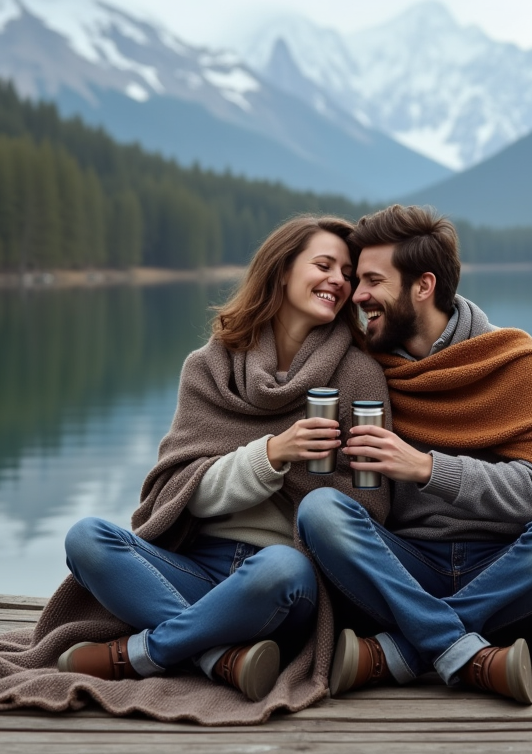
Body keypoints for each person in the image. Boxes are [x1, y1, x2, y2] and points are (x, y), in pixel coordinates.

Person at [56, 215, 391, 703]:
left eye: (348, 272)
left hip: (286, 580)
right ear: (280, 270)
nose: (338, 280)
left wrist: (308, 478)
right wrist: (273, 455)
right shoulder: (209, 366)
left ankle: (147, 651)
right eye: (324, 264)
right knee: (86, 538)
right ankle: (217, 658)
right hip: (195, 568)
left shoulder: (360, 376)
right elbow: (179, 491)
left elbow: (371, 509)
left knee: (280, 568)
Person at [296, 205, 532, 705]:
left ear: (423, 285)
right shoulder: (362, 368)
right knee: (320, 514)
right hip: (404, 568)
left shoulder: (516, 362)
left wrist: (428, 468)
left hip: (505, 570)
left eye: (372, 280)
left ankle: (401, 652)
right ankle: (463, 649)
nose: (358, 295)